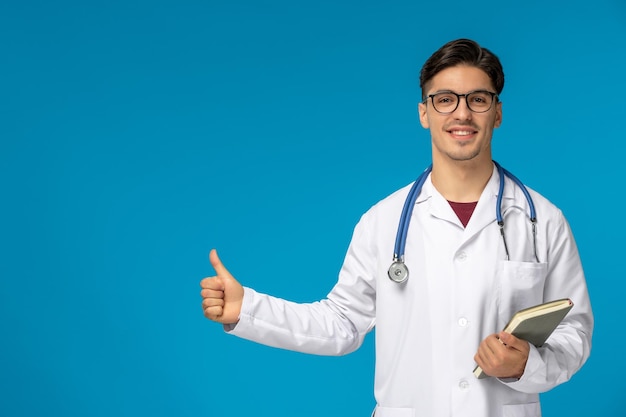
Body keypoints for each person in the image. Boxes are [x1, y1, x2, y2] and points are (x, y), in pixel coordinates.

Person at [200, 38, 593, 417]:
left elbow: (573, 333)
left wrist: (525, 365)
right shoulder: (383, 221)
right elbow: (341, 324)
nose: (462, 114)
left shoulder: (542, 220)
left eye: (478, 99)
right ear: (424, 113)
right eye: (444, 100)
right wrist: (247, 309)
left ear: (497, 112)